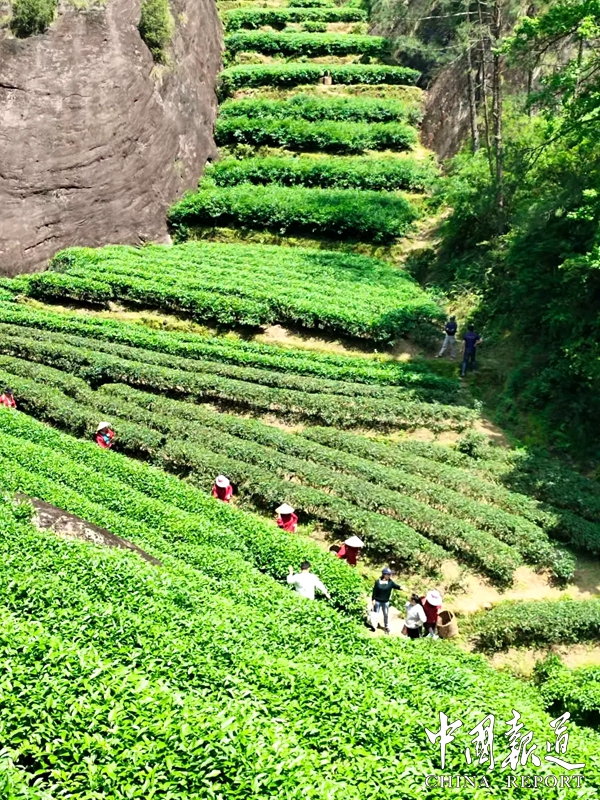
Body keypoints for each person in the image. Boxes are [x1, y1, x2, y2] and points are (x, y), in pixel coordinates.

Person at [370, 567, 404, 634]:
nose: (389, 576)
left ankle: (386, 627)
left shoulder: (390, 582)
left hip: (385, 602)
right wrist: (373, 599)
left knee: (385, 615)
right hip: (377, 601)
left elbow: (396, 586)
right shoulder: (377, 582)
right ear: (384, 574)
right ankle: (374, 626)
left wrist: (401, 588)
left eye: (390, 574)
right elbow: (374, 591)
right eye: (388, 574)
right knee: (376, 614)